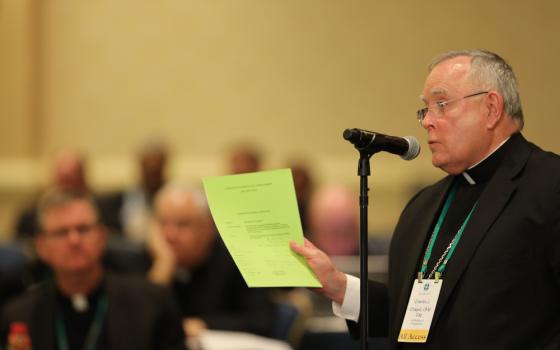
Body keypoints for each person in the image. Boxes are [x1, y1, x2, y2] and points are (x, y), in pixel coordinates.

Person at [291, 49, 560, 349]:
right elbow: (414, 317)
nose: (427, 121)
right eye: (425, 109)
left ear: (491, 108)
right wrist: (339, 286)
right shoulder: (422, 207)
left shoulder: (550, 187)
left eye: (441, 104)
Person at [0, 188, 187, 350]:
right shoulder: (20, 315)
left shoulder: (151, 303)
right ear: (41, 246)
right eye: (61, 233)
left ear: (102, 236)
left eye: (83, 229)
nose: (74, 240)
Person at [149, 183, 275, 339]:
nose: (170, 234)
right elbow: (138, 325)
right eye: (163, 223)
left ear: (208, 227)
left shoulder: (239, 259)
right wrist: (163, 266)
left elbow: (261, 322)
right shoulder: (148, 259)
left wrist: (204, 324)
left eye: (183, 224)